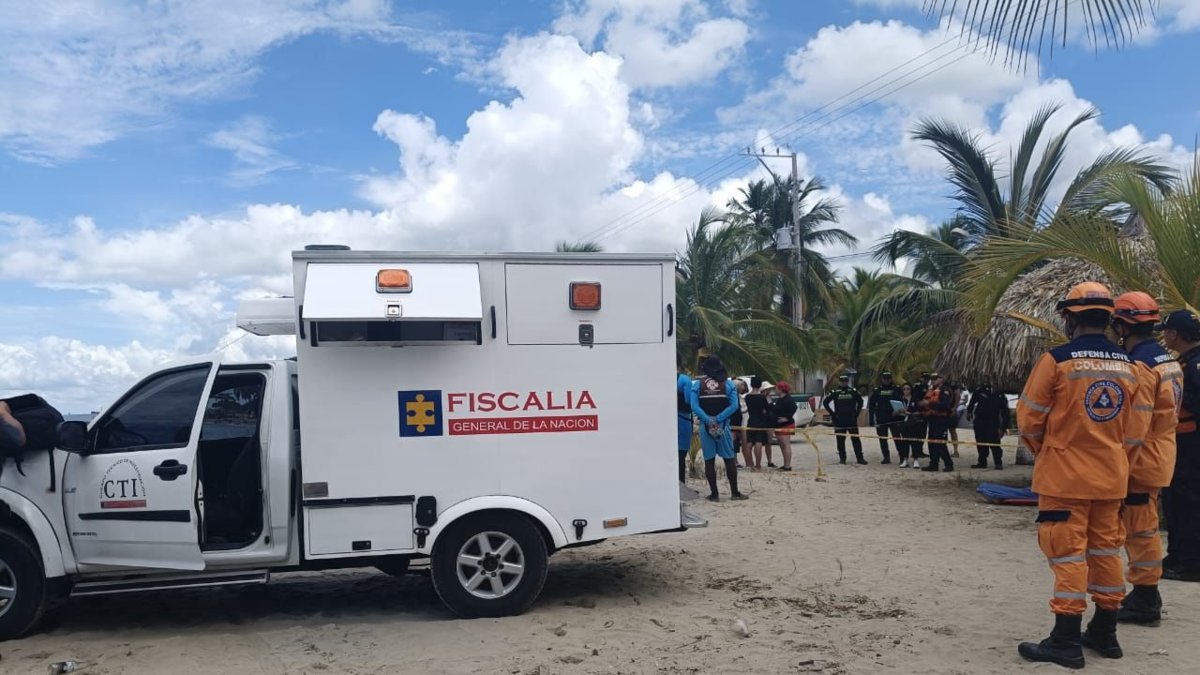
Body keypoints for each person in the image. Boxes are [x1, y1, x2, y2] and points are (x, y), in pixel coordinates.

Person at [1016, 282, 1152, 669]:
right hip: (1111, 478)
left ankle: (1065, 640)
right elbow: (1137, 429)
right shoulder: (1133, 367)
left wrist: (1051, 454)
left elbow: (1029, 419)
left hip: (1064, 479)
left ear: (1068, 317)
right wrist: (1116, 459)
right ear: (1110, 318)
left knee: (1068, 555)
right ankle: (1105, 632)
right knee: (1107, 551)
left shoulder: (1056, 360)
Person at [1109, 293, 1181, 624]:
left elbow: (1135, 426)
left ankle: (1146, 597)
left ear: (1122, 325)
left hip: (1142, 459)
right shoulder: (1166, 360)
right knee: (1146, 526)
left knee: (1140, 530)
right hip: (1161, 452)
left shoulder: (1140, 367)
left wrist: (1117, 464)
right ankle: (1145, 593)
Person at [1157, 309, 1200, 583]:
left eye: (1166, 331)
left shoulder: (1194, 366)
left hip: (1191, 446)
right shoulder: (1185, 362)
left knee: (1188, 504)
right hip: (1182, 444)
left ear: (1175, 334)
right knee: (1175, 502)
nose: (1164, 335)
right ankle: (1177, 556)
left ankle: (1190, 563)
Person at [689, 355, 747, 502]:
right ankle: (735, 493)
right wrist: (719, 419)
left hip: (705, 427)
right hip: (723, 427)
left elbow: (694, 406)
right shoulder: (728, 385)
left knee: (709, 460)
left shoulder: (697, 385)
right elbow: (734, 406)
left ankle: (714, 494)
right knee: (729, 459)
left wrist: (708, 420)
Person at [824, 374, 865, 465]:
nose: (844, 383)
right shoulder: (835, 392)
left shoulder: (853, 391)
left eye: (845, 381)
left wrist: (857, 413)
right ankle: (842, 459)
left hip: (851, 419)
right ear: (840, 381)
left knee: (856, 440)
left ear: (847, 381)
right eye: (842, 381)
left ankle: (860, 458)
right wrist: (832, 413)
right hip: (839, 420)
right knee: (840, 440)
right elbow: (825, 402)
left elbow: (861, 402)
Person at [967, 383, 1010, 470]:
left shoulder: (1001, 397)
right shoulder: (982, 390)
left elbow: (1006, 414)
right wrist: (969, 411)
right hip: (979, 420)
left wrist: (1002, 428)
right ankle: (982, 462)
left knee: (994, 442)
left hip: (992, 422)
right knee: (980, 441)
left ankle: (998, 463)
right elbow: (973, 400)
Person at [920, 373, 956, 472]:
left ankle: (948, 464)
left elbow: (945, 405)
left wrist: (929, 403)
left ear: (942, 379)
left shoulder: (945, 390)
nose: (933, 380)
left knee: (940, 442)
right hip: (932, 419)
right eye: (932, 378)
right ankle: (933, 464)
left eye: (936, 378)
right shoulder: (931, 389)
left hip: (941, 420)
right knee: (931, 442)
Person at [868, 371, 903, 465]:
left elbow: (901, 403)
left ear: (891, 379)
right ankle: (886, 457)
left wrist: (900, 417)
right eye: (885, 378)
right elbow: (871, 405)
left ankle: (902, 457)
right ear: (882, 379)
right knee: (883, 439)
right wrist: (871, 419)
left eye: (888, 378)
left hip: (894, 418)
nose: (886, 380)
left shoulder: (896, 389)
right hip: (881, 418)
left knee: (897, 438)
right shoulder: (877, 390)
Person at [744, 377, 772, 471]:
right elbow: (767, 409)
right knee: (758, 443)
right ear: (760, 385)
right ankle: (758, 465)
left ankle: (751, 465)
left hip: (751, 420)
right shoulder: (762, 397)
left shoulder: (747, 397)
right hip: (761, 422)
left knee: (749, 444)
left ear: (751, 385)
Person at [770, 381, 798, 471]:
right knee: (782, 444)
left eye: (776, 388)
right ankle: (785, 464)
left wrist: (787, 418)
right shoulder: (780, 399)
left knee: (785, 444)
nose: (775, 390)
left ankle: (787, 465)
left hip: (786, 424)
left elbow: (794, 408)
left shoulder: (788, 399)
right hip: (779, 424)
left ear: (781, 389)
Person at [676, 359, 695, 484]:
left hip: (666, 422)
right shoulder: (684, 380)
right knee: (681, 455)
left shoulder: (659, 378)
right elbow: (690, 402)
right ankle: (681, 484)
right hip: (683, 419)